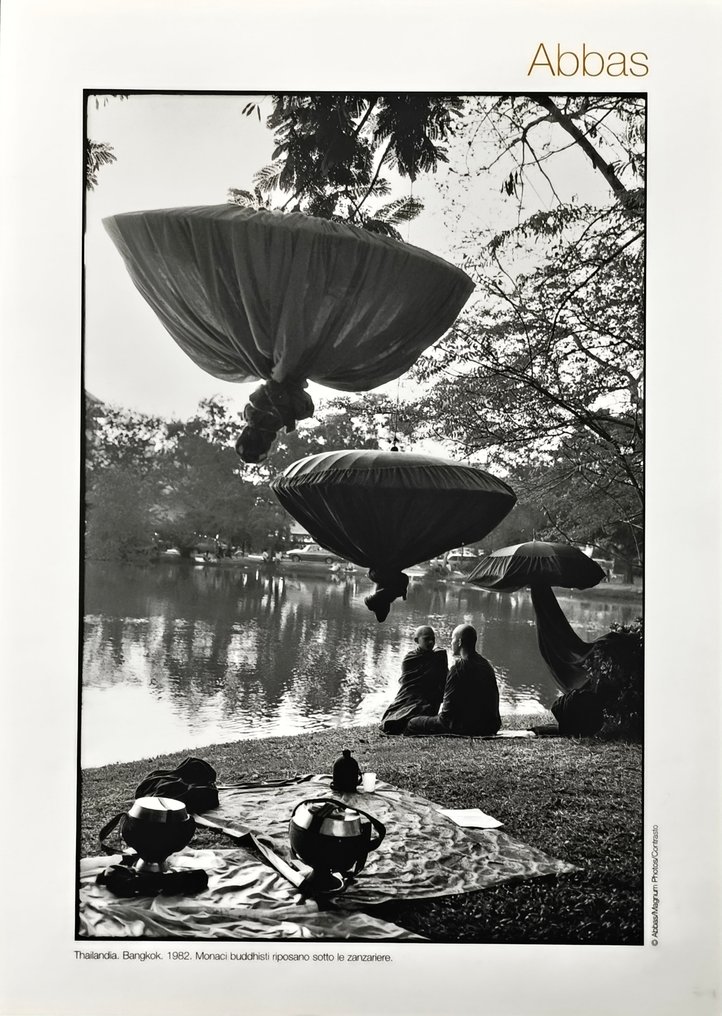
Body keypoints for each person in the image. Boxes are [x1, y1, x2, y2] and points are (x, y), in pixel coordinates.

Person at [405, 623, 501, 736]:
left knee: (412, 723)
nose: (451, 643)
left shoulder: (458, 668)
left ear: (459, 642)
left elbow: (447, 715)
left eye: (452, 639)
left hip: (465, 727)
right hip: (491, 726)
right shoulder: (486, 664)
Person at [379, 626, 448, 734]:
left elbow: (444, 682)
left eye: (433, 639)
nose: (430, 642)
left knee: (419, 711)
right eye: (426, 639)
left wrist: (442, 661)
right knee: (393, 716)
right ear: (417, 640)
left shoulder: (439, 657)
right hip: (410, 697)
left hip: (429, 699)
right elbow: (407, 685)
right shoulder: (410, 659)